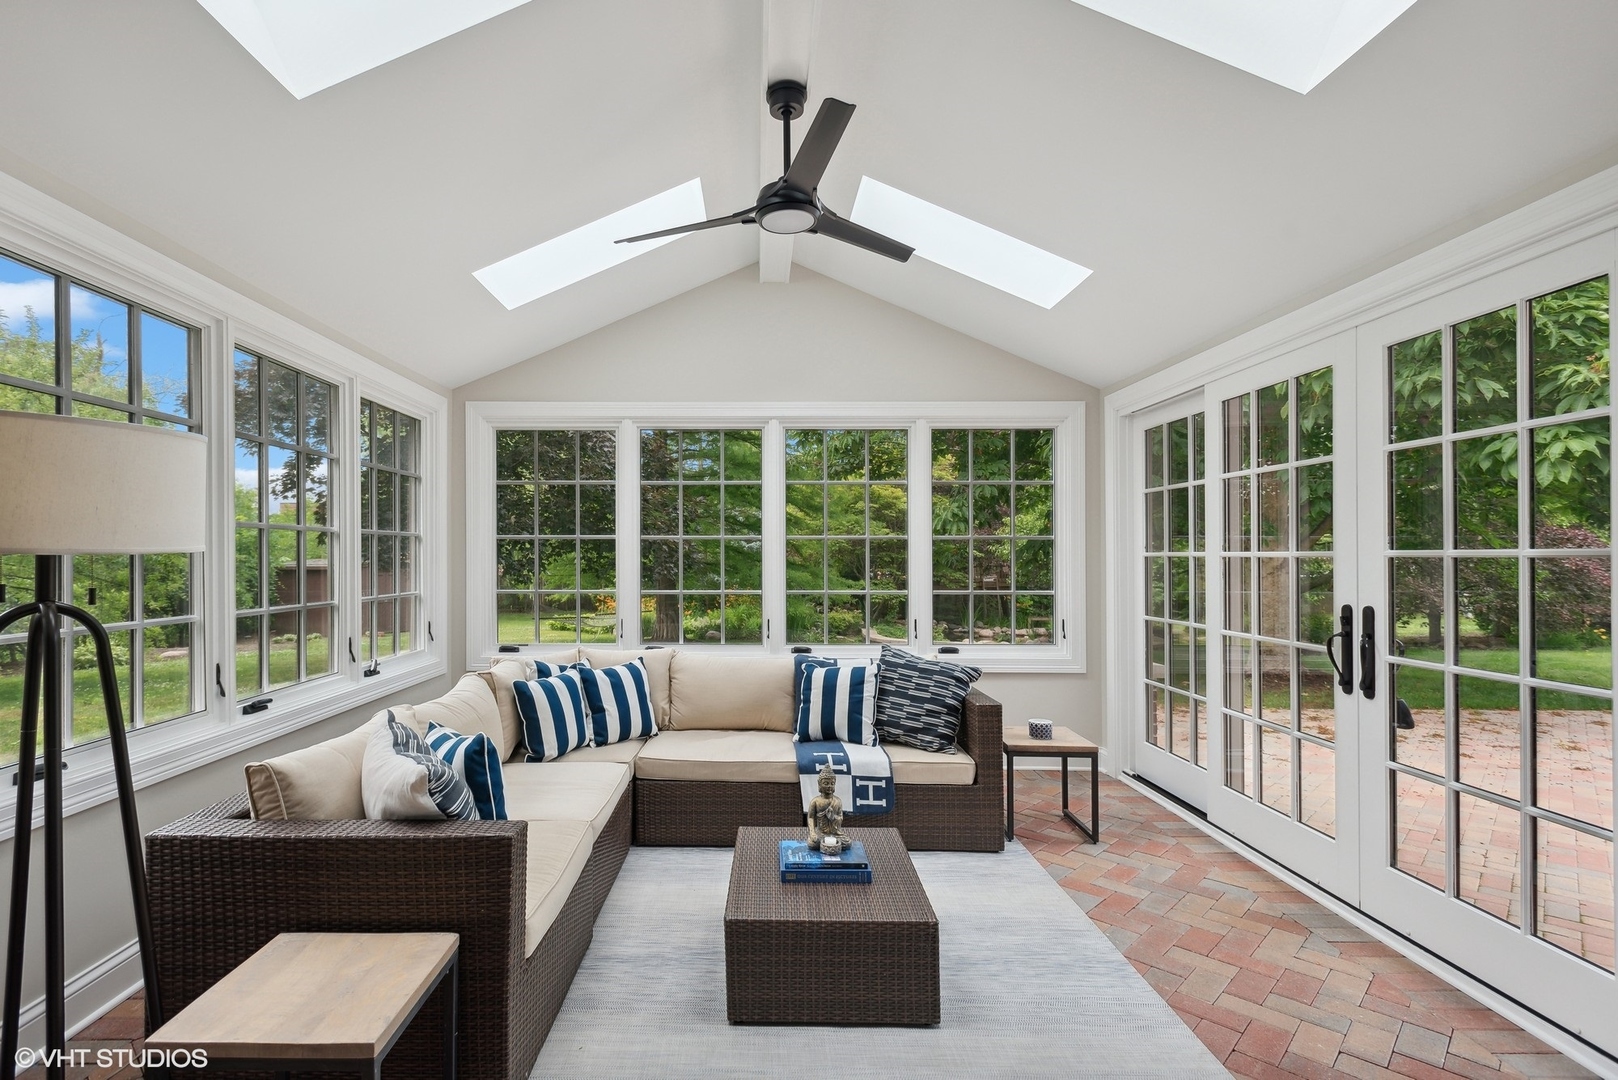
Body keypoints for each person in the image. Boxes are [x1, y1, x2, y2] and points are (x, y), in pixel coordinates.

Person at [806, 762, 846, 853]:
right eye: (826, 783)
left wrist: (833, 817)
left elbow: (840, 818)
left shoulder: (838, 801)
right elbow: (810, 817)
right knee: (813, 843)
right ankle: (830, 846)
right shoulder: (815, 801)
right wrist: (812, 833)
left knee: (847, 843)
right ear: (819, 784)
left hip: (834, 833)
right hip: (821, 833)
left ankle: (828, 846)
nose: (829, 786)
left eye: (832, 783)